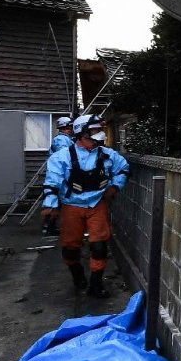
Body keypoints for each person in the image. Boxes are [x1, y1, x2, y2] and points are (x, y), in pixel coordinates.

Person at [42, 115, 129, 298]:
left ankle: (96, 285)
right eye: (95, 130)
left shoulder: (107, 154)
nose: (99, 135)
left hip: (97, 204)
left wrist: (115, 186)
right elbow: (52, 181)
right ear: (81, 133)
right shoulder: (62, 157)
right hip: (71, 205)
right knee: (70, 248)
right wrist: (51, 205)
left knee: (99, 246)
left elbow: (123, 169)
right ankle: (78, 275)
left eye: (99, 130)